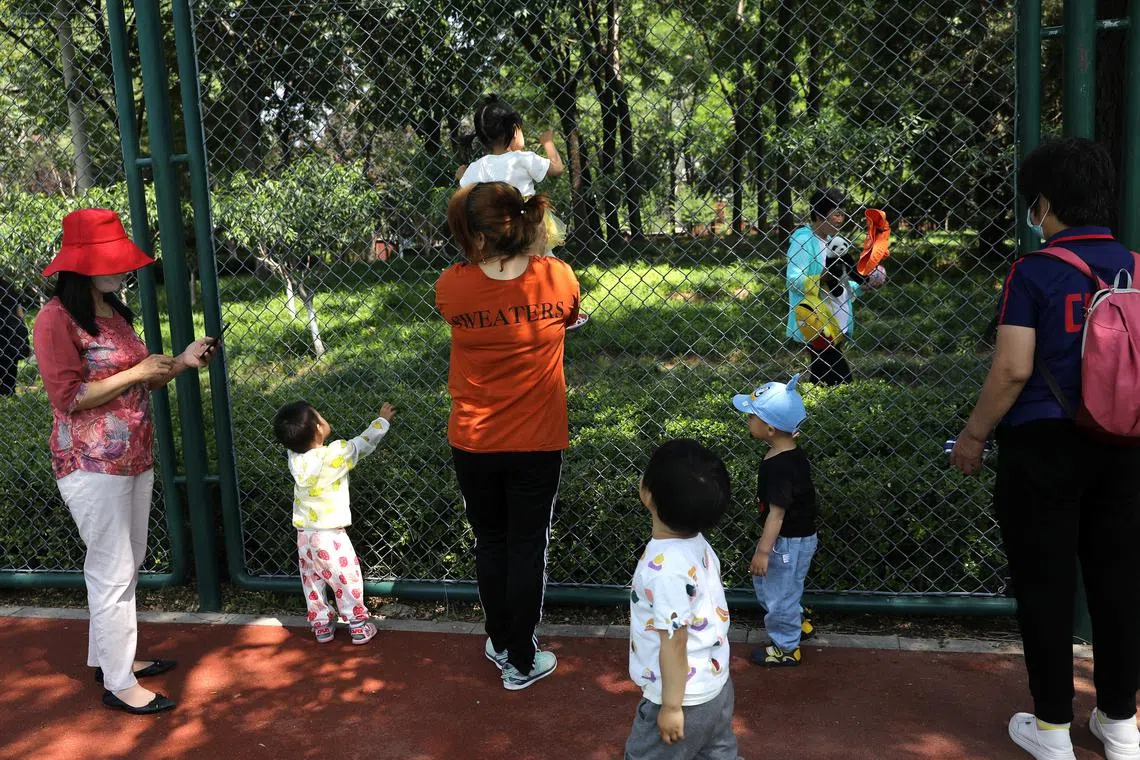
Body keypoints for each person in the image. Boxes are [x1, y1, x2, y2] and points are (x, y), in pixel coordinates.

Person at [951, 137, 1140, 760]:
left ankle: (1053, 730)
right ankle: (1120, 724)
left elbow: (1011, 369)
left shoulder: (1032, 271)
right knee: (1119, 582)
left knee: (1046, 582)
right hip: (1124, 444)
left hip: (1043, 444)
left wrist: (974, 436)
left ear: (1045, 204)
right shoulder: (1136, 267)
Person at [32, 208, 219, 715]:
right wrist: (136, 370)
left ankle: (110, 658)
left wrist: (179, 362)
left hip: (134, 456)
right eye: (111, 261)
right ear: (81, 266)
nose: (123, 270)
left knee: (126, 562)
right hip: (89, 462)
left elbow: (138, 378)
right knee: (112, 569)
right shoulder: (54, 319)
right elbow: (67, 397)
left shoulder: (112, 312)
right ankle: (119, 682)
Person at [435, 181, 581, 690]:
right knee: (525, 544)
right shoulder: (557, 277)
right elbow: (569, 317)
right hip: (536, 440)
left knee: (490, 541)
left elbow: (465, 308)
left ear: (475, 234)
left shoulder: (452, 285)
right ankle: (519, 658)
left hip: (473, 440)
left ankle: (500, 639)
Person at [625, 439, 741, 760]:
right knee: (717, 753)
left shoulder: (663, 570)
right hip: (715, 683)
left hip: (683, 697)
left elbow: (674, 641)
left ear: (647, 493)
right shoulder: (698, 543)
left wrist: (671, 706)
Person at [272, 400, 396, 645]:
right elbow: (362, 444)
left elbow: (293, 443)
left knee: (312, 580)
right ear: (319, 428)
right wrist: (382, 421)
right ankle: (358, 625)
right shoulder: (334, 455)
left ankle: (321, 626)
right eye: (320, 416)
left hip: (305, 536)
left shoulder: (295, 459)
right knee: (345, 577)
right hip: (331, 536)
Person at [733, 375, 818, 667]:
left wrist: (763, 551)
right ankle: (796, 622)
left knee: (778, 595)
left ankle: (786, 647)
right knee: (777, 588)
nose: (747, 421)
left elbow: (777, 513)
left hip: (787, 542)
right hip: (793, 539)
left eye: (751, 417)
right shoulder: (785, 452)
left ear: (769, 428)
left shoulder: (780, 468)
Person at [786, 188, 878, 385]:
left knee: (822, 375)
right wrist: (821, 278)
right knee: (842, 378)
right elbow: (793, 280)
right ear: (819, 215)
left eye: (842, 214)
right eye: (836, 214)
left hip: (837, 319)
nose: (840, 219)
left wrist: (863, 286)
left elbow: (842, 282)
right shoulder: (803, 240)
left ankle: (815, 404)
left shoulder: (835, 243)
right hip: (817, 321)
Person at [0, 276, 29, 395]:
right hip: (11, 332)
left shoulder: (8, 286)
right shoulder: (8, 285)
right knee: (10, 366)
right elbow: (20, 313)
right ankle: (8, 392)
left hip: (6, 332)